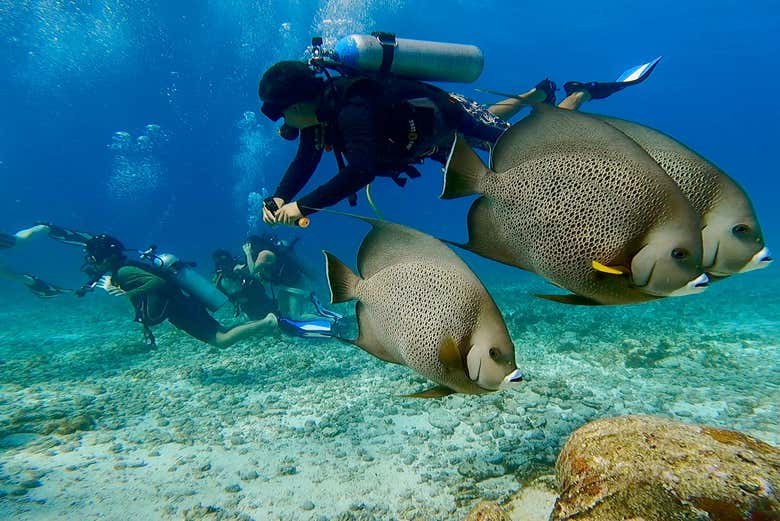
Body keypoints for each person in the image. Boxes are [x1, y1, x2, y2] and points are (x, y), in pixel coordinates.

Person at [257, 58, 653, 226]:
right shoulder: (317, 117)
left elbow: (360, 169)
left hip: (449, 116)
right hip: (430, 142)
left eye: (283, 113)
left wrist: (306, 205)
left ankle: (578, 92)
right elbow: (303, 161)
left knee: (533, 147)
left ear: (300, 102)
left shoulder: (350, 107)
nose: (285, 125)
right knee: (491, 127)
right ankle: (534, 94)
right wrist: (279, 196)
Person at [81, 234, 277, 348]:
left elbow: (157, 283)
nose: (91, 262)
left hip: (182, 309)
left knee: (221, 340)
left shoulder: (124, 272)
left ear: (104, 258)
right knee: (222, 332)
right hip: (184, 305)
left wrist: (127, 293)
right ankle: (264, 324)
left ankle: (267, 322)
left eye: (93, 258)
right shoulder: (125, 269)